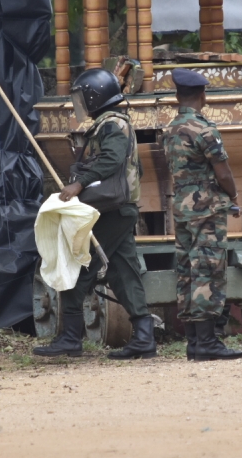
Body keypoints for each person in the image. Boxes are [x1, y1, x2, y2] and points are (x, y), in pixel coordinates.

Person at [33, 68, 156, 360]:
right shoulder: (111, 122)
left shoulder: (112, 124)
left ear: (94, 96)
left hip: (112, 211)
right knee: (124, 273)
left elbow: (112, 159)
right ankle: (144, 337)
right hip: (121, 210)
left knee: (76, 266)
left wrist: (79, 183)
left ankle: (70, 339)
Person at [163, 68, 242, 361]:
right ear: (202, 95)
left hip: (182, 211)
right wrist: (233, 196)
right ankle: (208, 342)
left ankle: (195, 343)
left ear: (176, 96)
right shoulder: (204, 130)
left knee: (187, 270)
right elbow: (223, 172)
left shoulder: (170, 130)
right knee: (208, 270)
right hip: (207, 210)